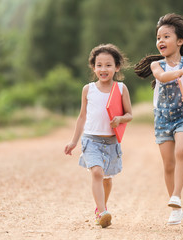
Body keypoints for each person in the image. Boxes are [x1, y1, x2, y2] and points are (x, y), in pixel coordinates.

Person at [134, 13, 183, 225]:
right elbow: (163, 78)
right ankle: (175, 208)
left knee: (181, 151)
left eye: (166, 36)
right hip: (163, 119)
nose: (160, 41)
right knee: (168, 165)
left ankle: (177, 195)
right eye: (158, 38)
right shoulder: (158, 66)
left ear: (179, 41)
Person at [64, 43, 132, 228]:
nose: (103, 69)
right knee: (97, 173)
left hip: (111, 142)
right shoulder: (88, 89)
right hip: (91, 140)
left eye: (108, 65)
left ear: (117, 67)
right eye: (99, 65)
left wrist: (120, 119)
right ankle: (102, 212)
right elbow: (82, 116)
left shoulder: (121, 89)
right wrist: (73, 141)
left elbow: (130, 114)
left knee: (107, 180)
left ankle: (100, 207)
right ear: (93, 67)